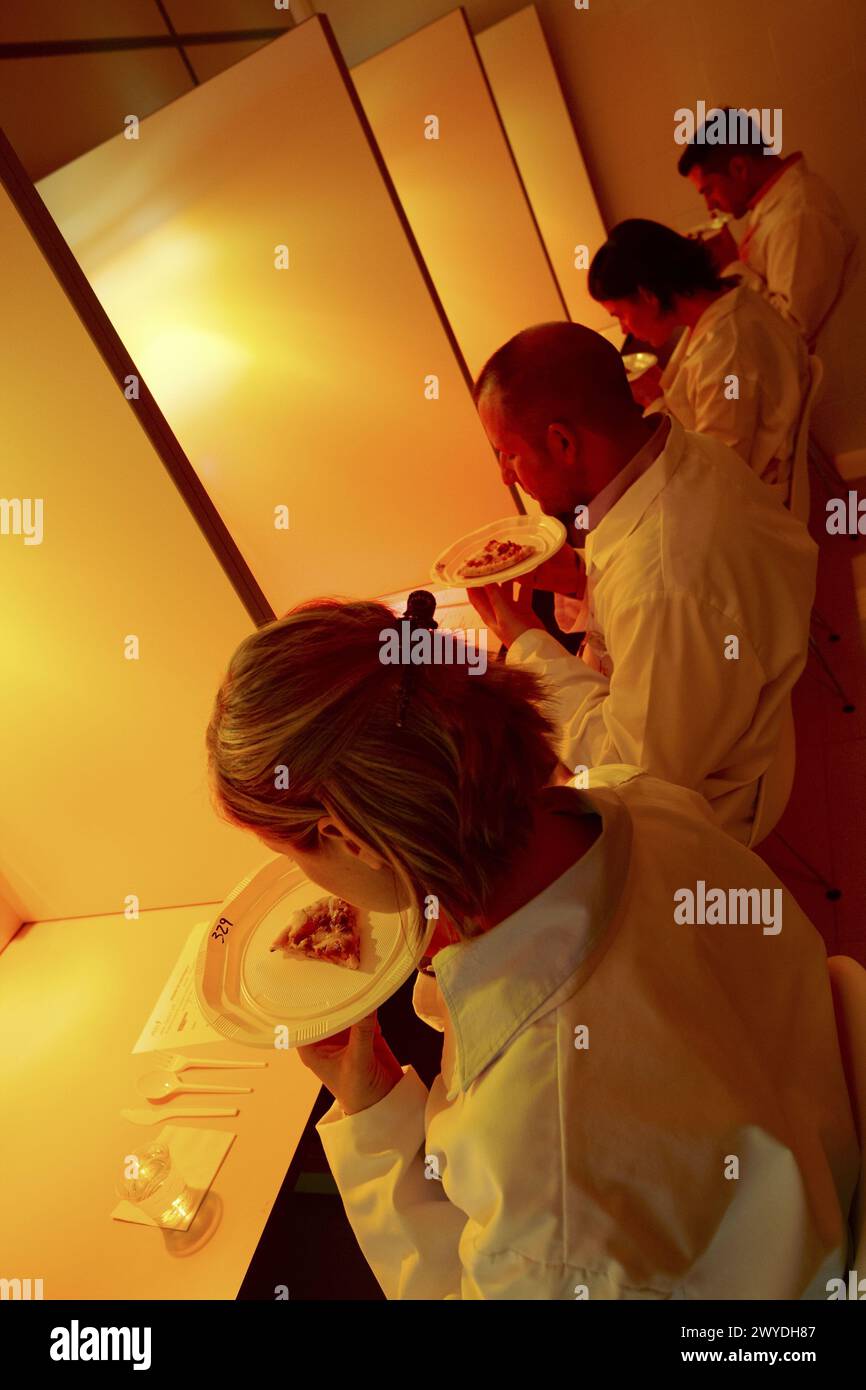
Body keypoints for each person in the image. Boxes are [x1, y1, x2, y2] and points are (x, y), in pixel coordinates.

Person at [205, 598, 858, 1299]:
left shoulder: (546, 1164)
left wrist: (372, 1118)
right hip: (809, 1155)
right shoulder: (639, 800)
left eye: (294, 857)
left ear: (349, 838)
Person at [469, 322, 816, 846]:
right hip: (716, 715)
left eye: (508, 453)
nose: (504, 476)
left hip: (708, 800)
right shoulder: (690, 452)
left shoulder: (666, 581)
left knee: (492, 824)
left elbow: (637, 775)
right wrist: (582, 581)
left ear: (562, 443)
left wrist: (524, 642)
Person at [588, 218, 808, 498]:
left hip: (745, 500)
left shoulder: (726, 353)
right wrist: (655, 397)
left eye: (620, 315)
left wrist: (655, 403)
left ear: (647, 295)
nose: (623, 329)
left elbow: (720, 468)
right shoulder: (731, 301)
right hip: (731, 477)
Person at [677, 108, 858, 347]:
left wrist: (731, 266)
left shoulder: (799, 214)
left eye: (708, 190)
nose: (710, 206)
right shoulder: (775, 207)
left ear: (739, 168)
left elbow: (793, 329)